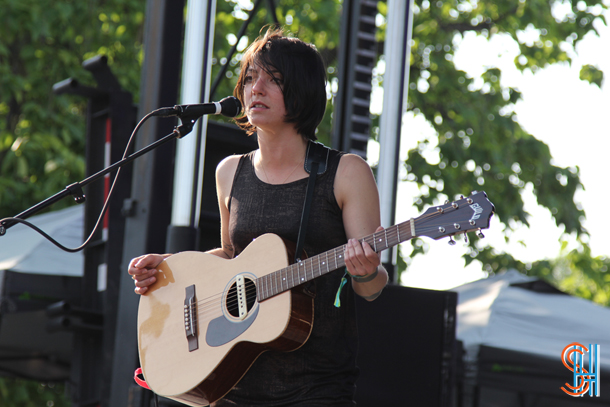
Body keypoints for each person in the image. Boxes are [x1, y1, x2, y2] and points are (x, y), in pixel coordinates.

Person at [128, 27, 388, 406]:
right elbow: (232, 261)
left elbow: (371, 287)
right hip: (233, 382)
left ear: (302, 91)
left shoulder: (346, 172)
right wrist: (169, 268)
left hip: (317, 387)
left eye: (274, 79)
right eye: (250, 78)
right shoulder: (229, 172)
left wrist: (364, 271)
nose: (256, 88)